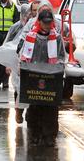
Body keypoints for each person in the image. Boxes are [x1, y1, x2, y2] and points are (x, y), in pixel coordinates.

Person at [18, 10, 66, 146]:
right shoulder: (31, 36)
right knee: (35, 107)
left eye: (49, 23)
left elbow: (62, 56)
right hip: (34, 77)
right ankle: (35, 133)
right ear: (39, 22)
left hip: (51, 77)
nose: (46, 25)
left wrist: (58, 68)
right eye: (44, 23)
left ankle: (49, 135)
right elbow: (24, 56)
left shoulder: (56, 38)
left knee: (51, 108)